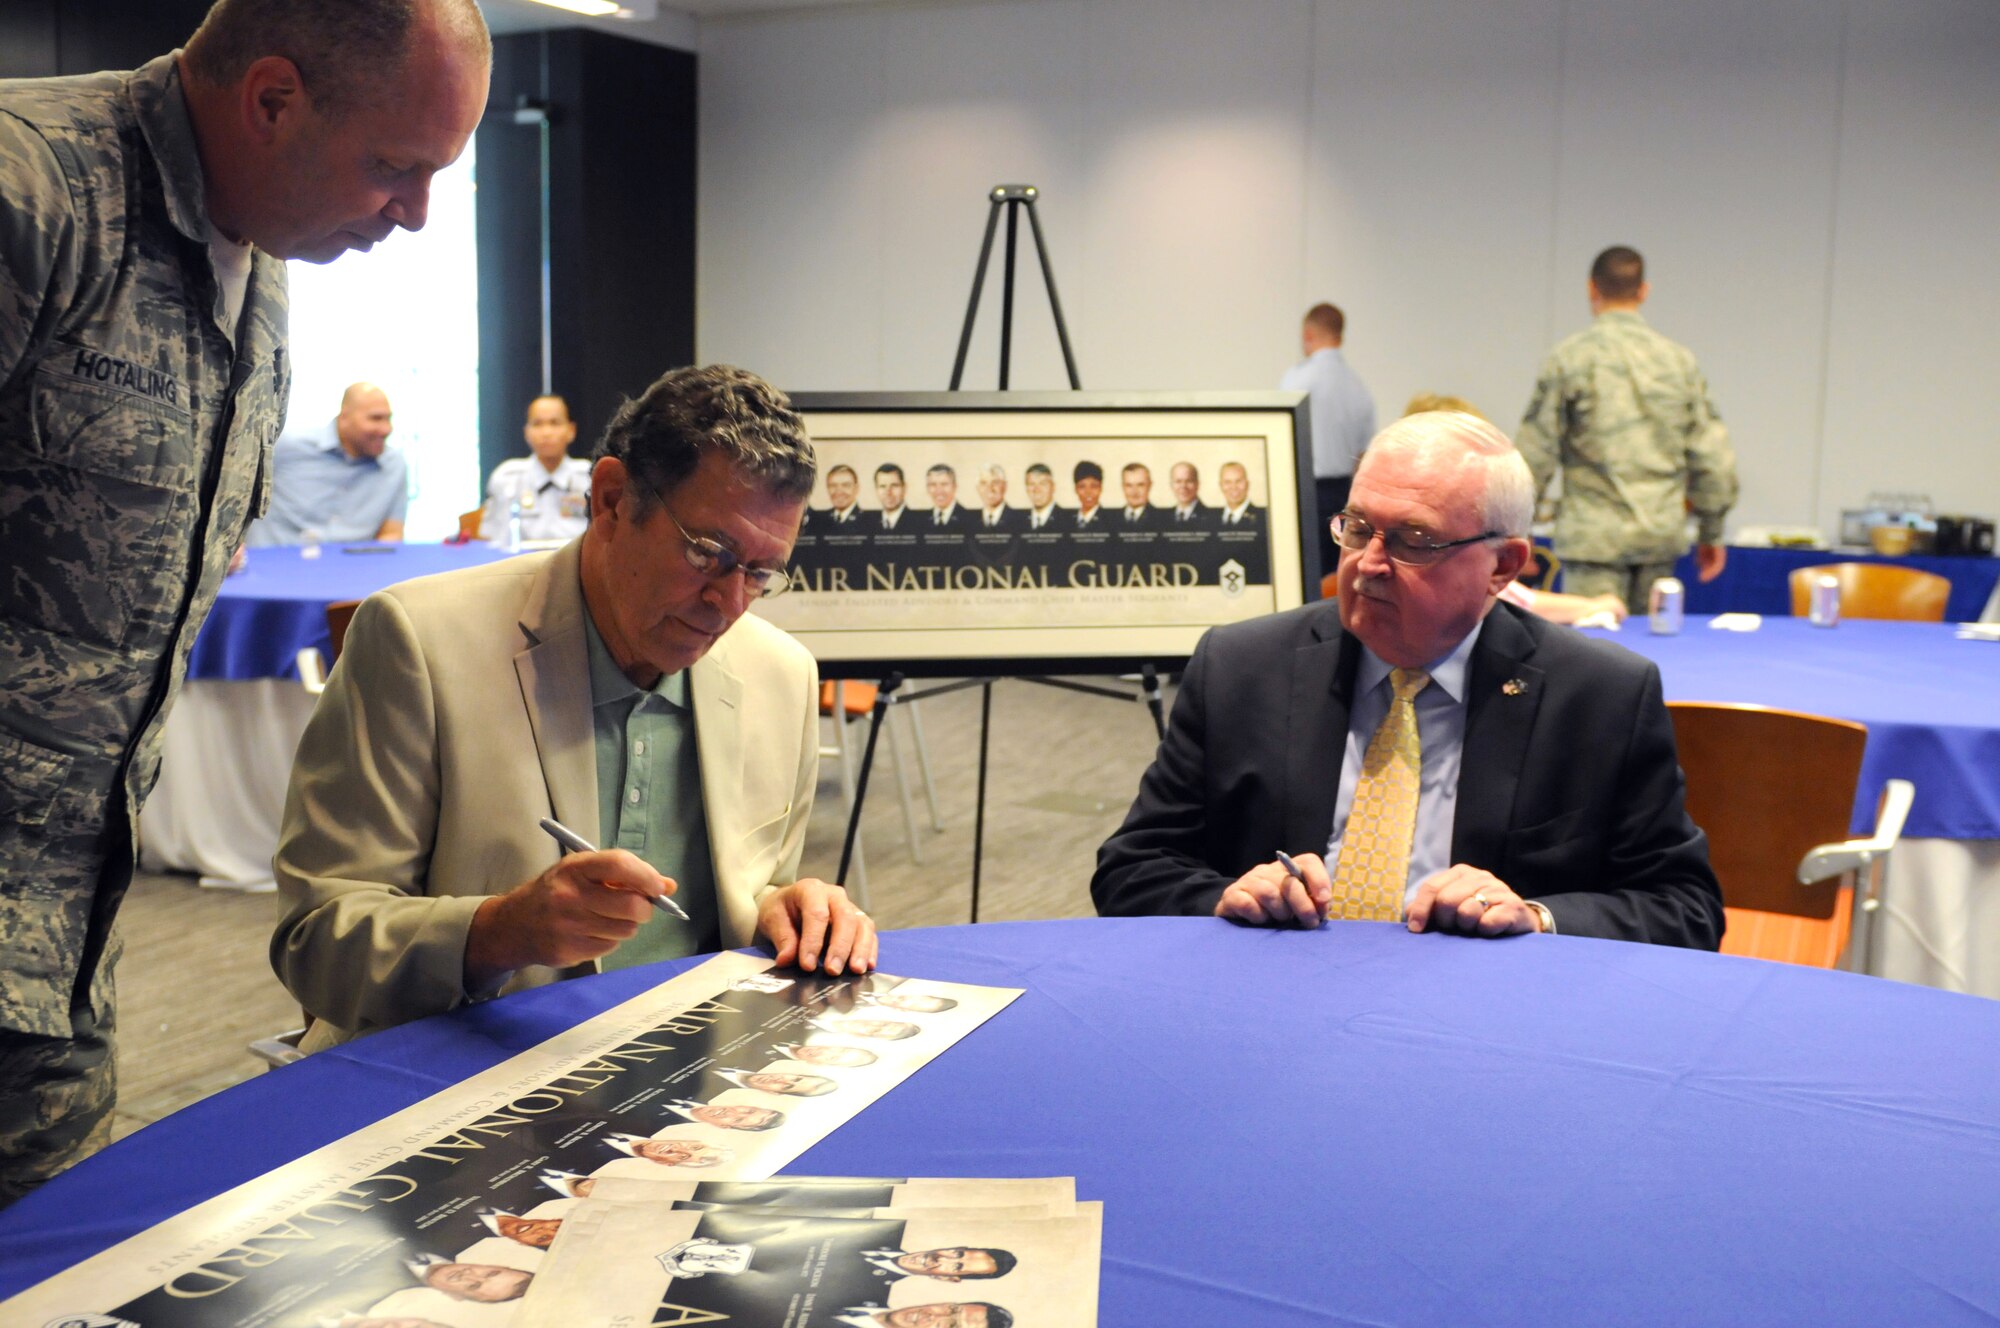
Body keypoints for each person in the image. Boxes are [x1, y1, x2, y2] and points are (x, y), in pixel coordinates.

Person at [0, 0, 489, 1203]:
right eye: (396, 166)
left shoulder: (260, 266)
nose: (416, 213)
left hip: (60, 957)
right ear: (272, 98)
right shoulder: (33, 194)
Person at [271, 366, 876, 1051]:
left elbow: (749, 886)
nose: (730, 603)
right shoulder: (422, 643)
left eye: (762, 573)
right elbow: (315, 943)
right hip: (457, 1076)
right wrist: (497, 934)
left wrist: (783, 907)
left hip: (692, 1081)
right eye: (709, 553)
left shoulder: (780, 674)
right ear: (612, 500)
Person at [1092, 411, 1723, 948]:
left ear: (1503, 566)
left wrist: (1534, 917)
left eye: (1413, 541)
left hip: (1485, 1020)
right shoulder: (1242, 666)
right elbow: (1131, 868)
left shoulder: (1598, 696)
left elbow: (1685, 907)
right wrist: (1228, 896)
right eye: (1358, 528)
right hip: (1272, 1001)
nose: (1367, 566)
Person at [1515, 246, 1739, 614]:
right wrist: (1711, 532)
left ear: (1592, 289)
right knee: (1652, 661)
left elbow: (1534, 453)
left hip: (1593, 541)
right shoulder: (1679, 362)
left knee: (1593, 656)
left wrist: (1517, 532)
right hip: (1658, 538)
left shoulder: (1569, 358)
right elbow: (1712, 456)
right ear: (1643, 291)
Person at [248, 382, 410, 545]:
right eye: (375, 418)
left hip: (354, 567)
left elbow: (391, 535)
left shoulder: (393, 465)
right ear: (344, 417)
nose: (386, 429)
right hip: (273, 563)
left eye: (388, 418)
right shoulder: (285, 446)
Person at [1280, 302, 1377, 572]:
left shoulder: (1297, 379)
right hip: (1344, 493)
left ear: (1308, 335)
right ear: (1340, 337)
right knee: (1339, 571)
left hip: (1304, 490)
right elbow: (1363, 454)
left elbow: (1283, 437)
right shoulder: (1358, 386)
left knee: (1305, 571)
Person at [480, 393, 591, 545]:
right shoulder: (507, 478)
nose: (546, 432)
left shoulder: (589, 477)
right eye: (537, 424)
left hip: (575, 566)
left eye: (555, 423)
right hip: (521, 566)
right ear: (526, 432)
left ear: (571, 430)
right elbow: (496, 542)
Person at [862, 1247, 1018, 1283]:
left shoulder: (870, 1289)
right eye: (958, 1254)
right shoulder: (887, 1238)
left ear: (947, 1278)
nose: (940, 1259)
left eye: (957, 1267)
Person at [973, 464, 1023, 531]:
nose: (989, 489)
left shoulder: (1019, 520)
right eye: (983, 483)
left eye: (995, 482)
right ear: (977, 488)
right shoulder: (969, 521)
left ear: (1005, 486)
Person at [924, 463, 973, 529]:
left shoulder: (970, 520)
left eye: (944, 484)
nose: (939, 491)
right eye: (933, 484)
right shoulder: (921, 521)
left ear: (955, 487)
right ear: (927, 488)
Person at [1216, 462, 1263, 528]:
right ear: (1221, 485)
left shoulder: (1264, 517)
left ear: (1247, 484)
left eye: (1239, 481)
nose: (1234, 487)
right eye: (1227, 482)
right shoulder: (1211, 519)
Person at [1167, 462, 1213, 527]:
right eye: (1178, 481)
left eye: (1189, 481)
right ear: (1171, 485)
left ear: (1197, 484)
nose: (1183, 486)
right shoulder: (1163, 518)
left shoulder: (1211, 518)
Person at [1117, 463, 1162, 527]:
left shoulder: (1161, 519)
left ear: (1150, 485)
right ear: (1122, 487)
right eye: (1129, 485)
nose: (1134, 491)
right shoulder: (1111, 518)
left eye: (1140, 485)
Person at [1023, 463, 1062, 531]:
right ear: (1026, 489)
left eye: (1043, 484)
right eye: (1031, 484)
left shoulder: (1068, 520)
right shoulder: (1018, 522)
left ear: (1053, 487)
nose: (1037, 490)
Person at [1070, 461, 1108, 529]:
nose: (1088, 492)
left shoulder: (1110, 522)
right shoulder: (1067, 522)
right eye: (1082, 486)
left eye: (1093, 486)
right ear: (1075, 489)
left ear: (1101, 488)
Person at [873, 463, 910, 531]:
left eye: (894, 486)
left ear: (904, 488)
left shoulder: (919, 522)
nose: (888, 493)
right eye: (882, 486)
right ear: (876, 489)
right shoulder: (868, 524)